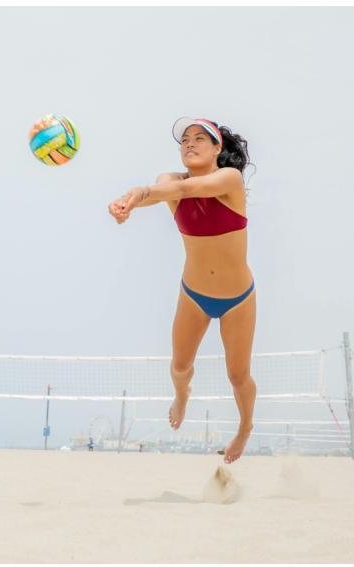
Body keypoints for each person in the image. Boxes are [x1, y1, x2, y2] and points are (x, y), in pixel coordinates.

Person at [107, 117, 256, 464]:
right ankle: (181, 396)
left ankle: (245, 427)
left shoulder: (229, 180)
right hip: (194, 293)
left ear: (218, 148)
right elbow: (165, 190)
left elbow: (185, 191)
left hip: (239, 298)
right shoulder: (169, 180)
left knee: (237, 375)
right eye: (184, 139)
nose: (189, 143)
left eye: (199, 138)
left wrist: (135, 195)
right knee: (179, 367)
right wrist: (128, 203)